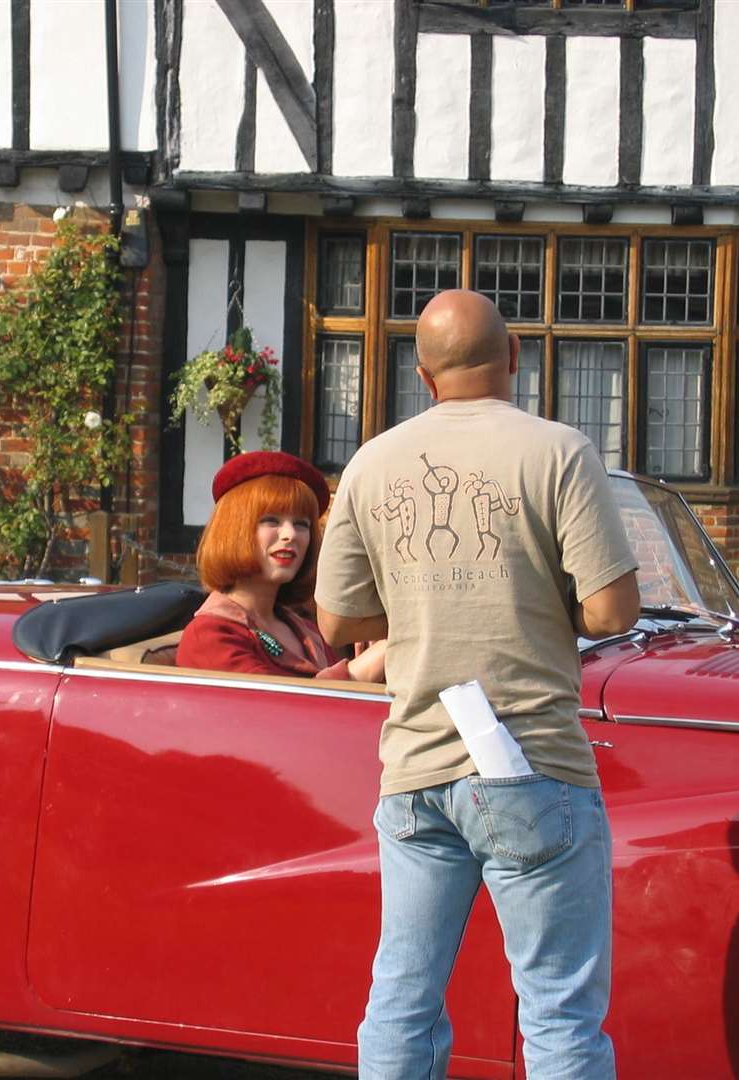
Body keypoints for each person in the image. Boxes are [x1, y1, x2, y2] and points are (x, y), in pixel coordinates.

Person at [315, 290, 640, 1080]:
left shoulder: (372, 460)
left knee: (402, 997)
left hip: (418, 765)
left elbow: (335, 620)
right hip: (531, 759)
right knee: (557, 1010)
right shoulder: (559, 450)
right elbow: (613, 608)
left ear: (423, 377)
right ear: (516, 358)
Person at [178, 450, 385, 683]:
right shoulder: (210, 635)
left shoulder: (306, 629)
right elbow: (283, 712)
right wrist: (383, 653)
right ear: (233, 529)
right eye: (271, 521)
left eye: (301, 524)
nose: (290, 535)